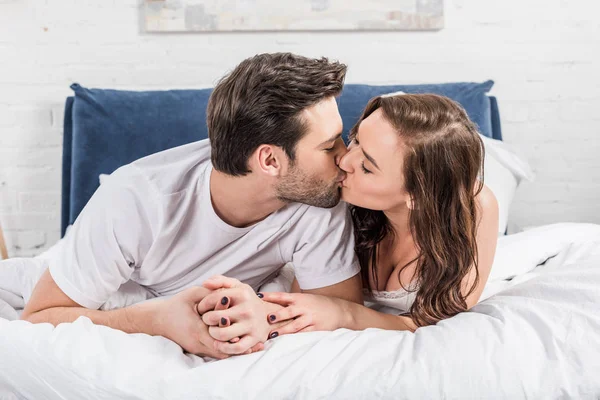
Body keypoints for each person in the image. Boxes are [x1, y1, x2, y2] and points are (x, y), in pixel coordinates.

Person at [20, 53, 363, 358]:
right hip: (125, 283)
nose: (345, 157)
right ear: (270, 159)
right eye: (329, 145)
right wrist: (152, 320)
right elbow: (39, 316)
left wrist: (263, 313)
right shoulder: (137, 199)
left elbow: (340, 309)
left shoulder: (317, 193)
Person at [204, 92, 499, 336]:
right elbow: (304, 303)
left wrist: (344, 313)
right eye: (356, 139)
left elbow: (434, 320)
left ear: (418, 196)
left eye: (367, 167)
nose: (344, 159)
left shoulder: (475, 210)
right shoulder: (325, 197)